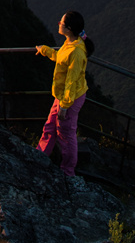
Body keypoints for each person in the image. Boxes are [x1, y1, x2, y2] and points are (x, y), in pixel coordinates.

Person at [34, 10, 94, 177]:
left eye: (61, 23)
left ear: (68, 28)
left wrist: (65, 106)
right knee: (50, 127)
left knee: (66, 135)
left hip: (70, 98)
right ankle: (39, 157)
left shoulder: (77, 51)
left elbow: (72, 81)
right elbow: (60, 58)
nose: (58, 24)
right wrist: (45, 50)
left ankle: (68, 172)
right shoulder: (70, 43)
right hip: (61, 96)